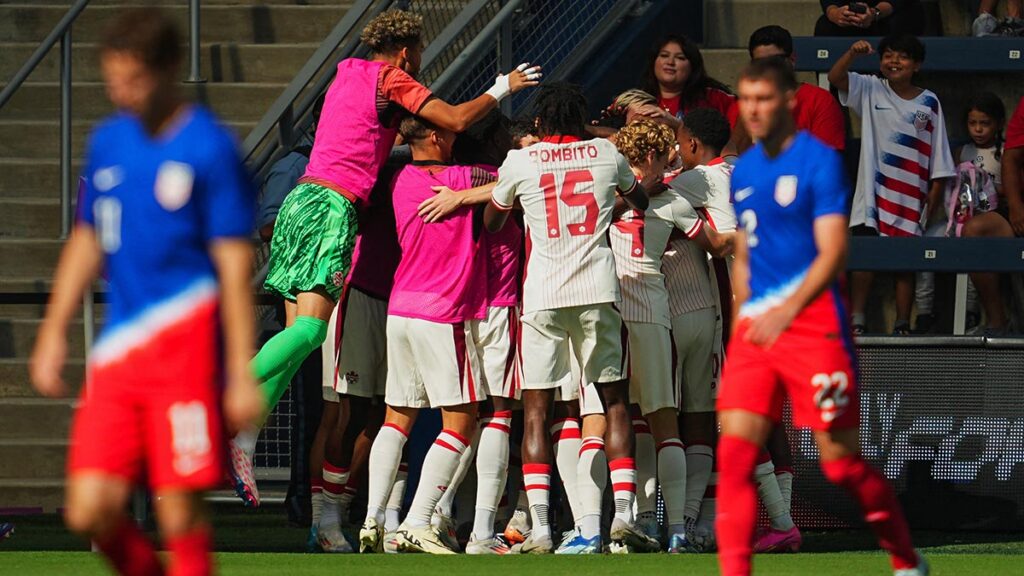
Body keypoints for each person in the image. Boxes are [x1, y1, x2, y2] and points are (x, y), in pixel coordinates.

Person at [229, 8, 541, 507]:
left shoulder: (346, 74)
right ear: (404, 52)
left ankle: (243, 437)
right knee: (311, 331)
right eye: (416, 58)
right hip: (332, 207)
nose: (418, 69)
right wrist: (503, 87)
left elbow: (373, 134)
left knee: (296, 343)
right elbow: (456, 119)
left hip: (300, 203)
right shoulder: (391, 77)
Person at [28, 8, 263, 575]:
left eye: (133, 80)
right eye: (113, 81)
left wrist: (237, 370)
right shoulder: (108, 141)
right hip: (118, 357)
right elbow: (88, 238)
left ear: (168, 70)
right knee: (89, 511)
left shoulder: (210, 148)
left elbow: (234, 263)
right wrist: (53, 331)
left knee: (178, 515)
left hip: (185, 356)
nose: (123, 93)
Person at [716, 57, 927, 576]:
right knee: (736, 459)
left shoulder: (817, 161)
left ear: (790, 101)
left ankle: (905, 559)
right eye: (745, 101)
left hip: (813, 327)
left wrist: (786, 310)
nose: (753, 111)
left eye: (763, 99)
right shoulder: (742, 169)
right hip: (758, 331)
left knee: (840, 463)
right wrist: (744, 314)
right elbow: (745, 251)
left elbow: (834, 252)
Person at [483, 82, 653, 554]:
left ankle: (539, 528)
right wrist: (606, 215)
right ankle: (622, 516)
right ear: (579, 120)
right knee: (614, 401)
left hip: (542, 292)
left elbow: (493, 220)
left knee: (536, 411)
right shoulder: (604, 151)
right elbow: (639, 200)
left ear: (541, 121)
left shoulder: (522, 160)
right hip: (597, 289)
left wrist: (520, 209)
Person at [358, 115, 496, 554]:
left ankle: (372, 520)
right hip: (441, 311)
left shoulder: (398, 179)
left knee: (397, 417)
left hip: (399, 310)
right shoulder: (459, 175)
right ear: (436, 136)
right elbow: (515, 179)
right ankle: (418, 521)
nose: (459, 133)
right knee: (463, 418)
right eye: (451, 128)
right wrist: (463, 197)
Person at [610, 119, 734, 552]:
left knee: (626, 416)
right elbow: (718, 246)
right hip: (648, 314)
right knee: (658, 419)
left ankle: (640, 519)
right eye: (666, 155)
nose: (673, 162)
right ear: (652, 158)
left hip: (610, 312)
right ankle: (670, 526)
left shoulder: (604, 195)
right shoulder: (675, 201)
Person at [313, 147, 408, 552]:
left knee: (394, 412)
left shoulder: (427, 168)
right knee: (347, 412)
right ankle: (327, 518)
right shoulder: (373, 170)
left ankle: (385, 516)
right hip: (361, 295)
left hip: (405, 301)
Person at [828, 35, 955, 335]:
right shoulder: (871, 88)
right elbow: (836, 77)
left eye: (902, 56)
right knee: (865, 260)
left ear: (917, 65)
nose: (894, 61)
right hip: (871, 197)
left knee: (905, 264)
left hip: (913, 200)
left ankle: (902, 323)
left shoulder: (930, 102)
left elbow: (940, 162)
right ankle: (857, 321)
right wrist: (851, 54)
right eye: (888, 55)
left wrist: (931, 203)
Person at [915, 92, 1006, 333]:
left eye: (984, 124)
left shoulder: (1003, 153)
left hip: (986, 220)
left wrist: (986, 184)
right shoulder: (961, 152)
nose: (978, 129)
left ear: (998, 124)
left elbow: (1008, 191)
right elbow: (949, 189)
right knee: (924, 242)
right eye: (972, 123)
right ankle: (924, 311)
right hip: (954, 220)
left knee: (973, 245)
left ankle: (971, 310)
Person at [728, 25, 846, 152]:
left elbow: (826, 161)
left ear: (792, 59)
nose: (768, 69)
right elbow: (728, 162)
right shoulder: (742, 106)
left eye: (775, 61)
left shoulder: (820, 101)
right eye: (760, 63)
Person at [962, 95, 1024, 334]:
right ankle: (998, 321)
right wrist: (1017, 208)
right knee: (976, 230)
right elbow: (1012, 158)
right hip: (1017, 203)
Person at [640, 35, 734, 120]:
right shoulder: (638, 102)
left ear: (692, 66)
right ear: (653, 62)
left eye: (680, 58)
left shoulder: (714, 98)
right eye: (664, 56)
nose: (670, 62)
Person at [815, 1, 925, 37]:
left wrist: (874, 13)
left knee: (901, 22)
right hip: (850, 16)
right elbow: (830, 4)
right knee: (824, 25)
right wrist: (834, 14)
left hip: (892, 15)